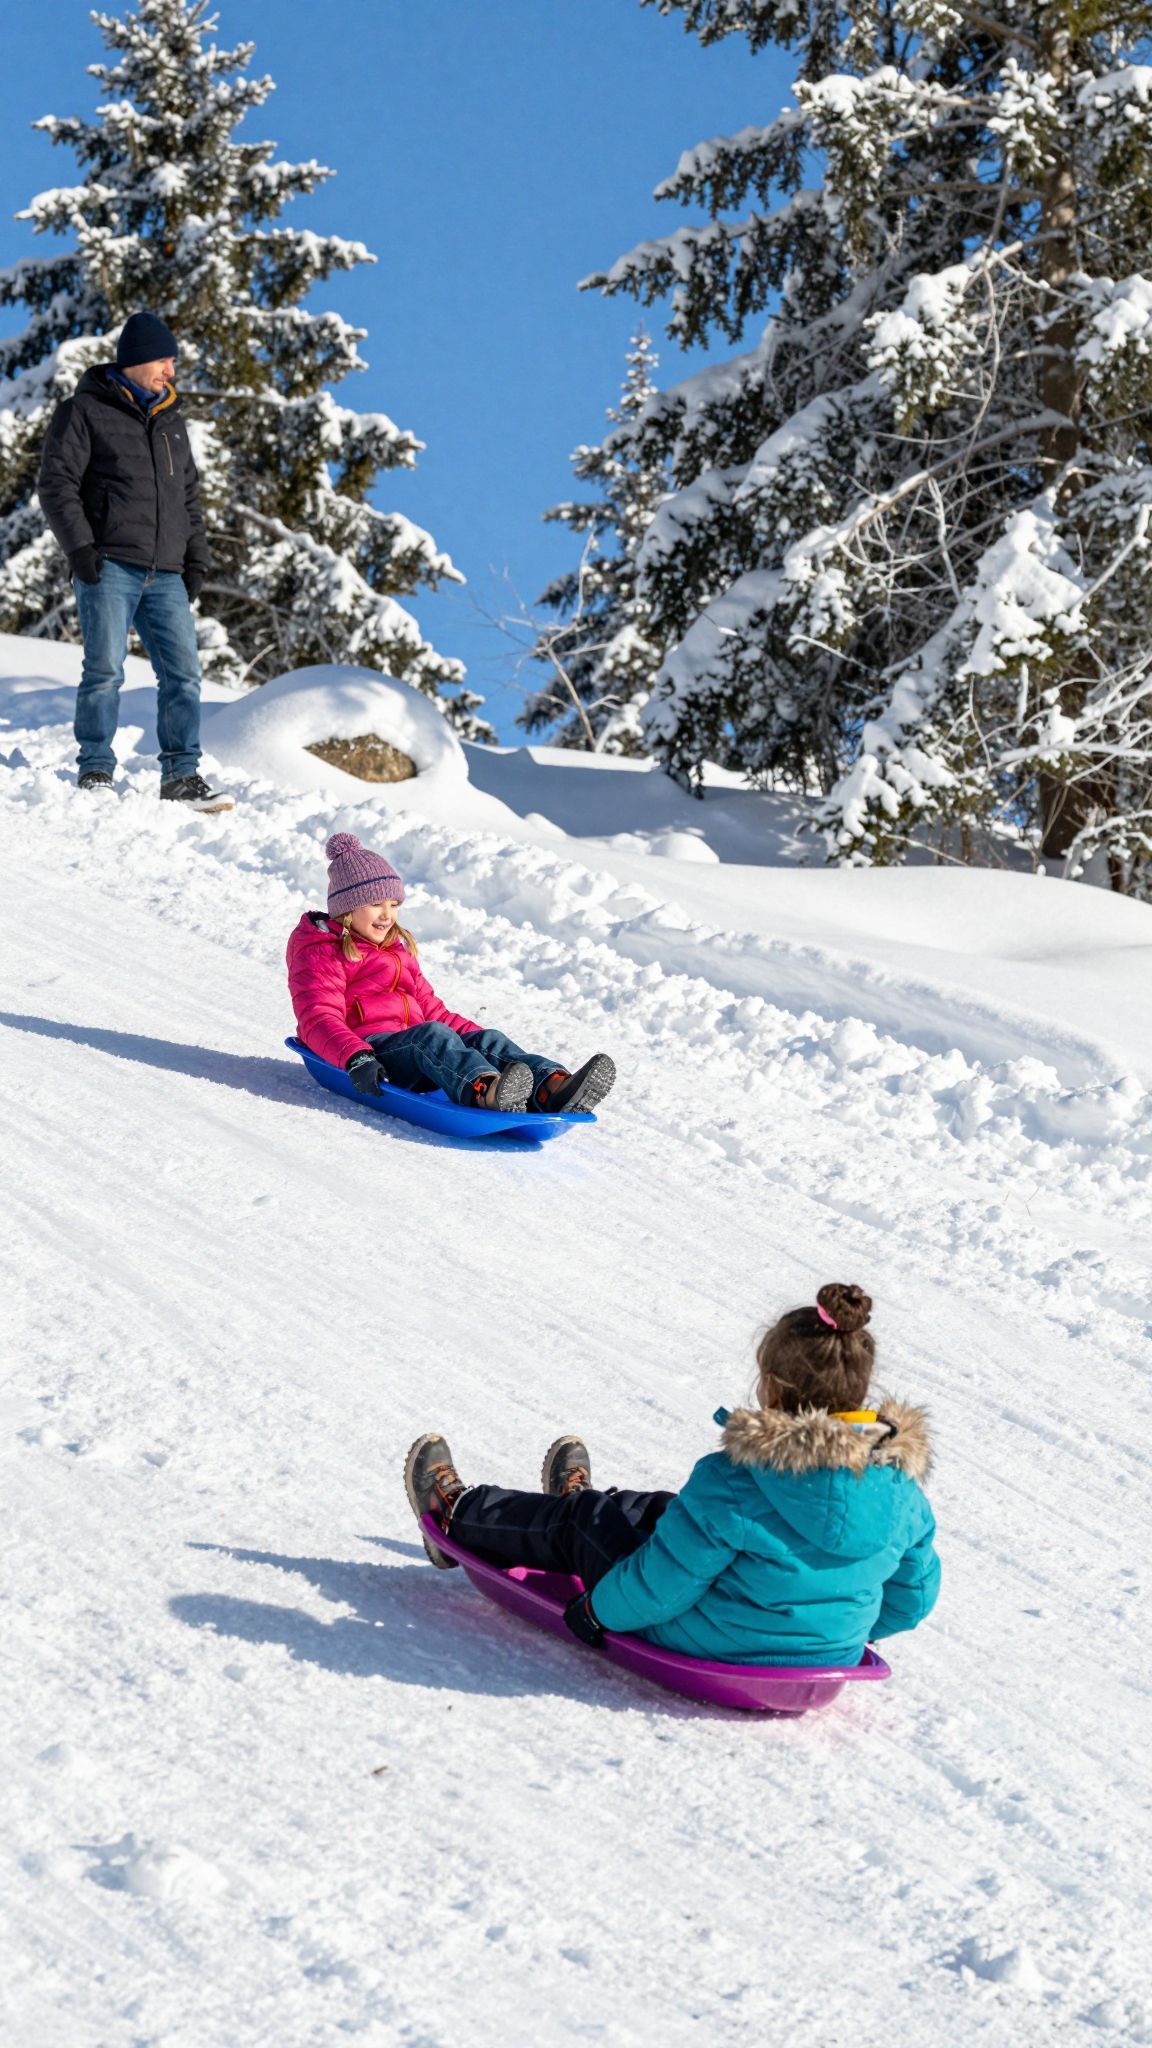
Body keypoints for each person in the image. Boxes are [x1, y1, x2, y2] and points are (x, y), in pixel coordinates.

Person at [404, 1282, 940, 1668]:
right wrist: (831, 1633)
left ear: (773, 1385)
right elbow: (912, 1599)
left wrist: (598, 1612)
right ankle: (577, 1508)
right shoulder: (901, 1490)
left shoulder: (736, 1478)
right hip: (828, 1654)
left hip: (706, 1641)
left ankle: (457, 1516)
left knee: (584, 1521)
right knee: (669, 1511)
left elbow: (665, 1586)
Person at [37, 309, 232, 812]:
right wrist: (81, 548)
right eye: (165, 360)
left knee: (183, 676)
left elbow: (188, 497)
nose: (171, 370)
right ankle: (96, 767)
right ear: (139, 358)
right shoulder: (84, 411)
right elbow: (57, 484)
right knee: (104, 671)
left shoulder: (171, 422)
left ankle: (181, 774)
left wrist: (196, 560)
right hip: (110, 565)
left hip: (166, 572)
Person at [287, 831, 617, 1114]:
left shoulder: (396, 950)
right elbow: (317, 1016)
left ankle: (551, 1087)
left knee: (486, 1038)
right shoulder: (323, 950)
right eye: (376, 904)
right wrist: (355, 1056)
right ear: (347, 907)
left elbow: (435, 1012)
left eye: (394, 905)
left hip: (420, 1049)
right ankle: (485, 1092)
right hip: (374, 1054)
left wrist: (478, 1043)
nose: (387, 915)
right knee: (431, 1036)